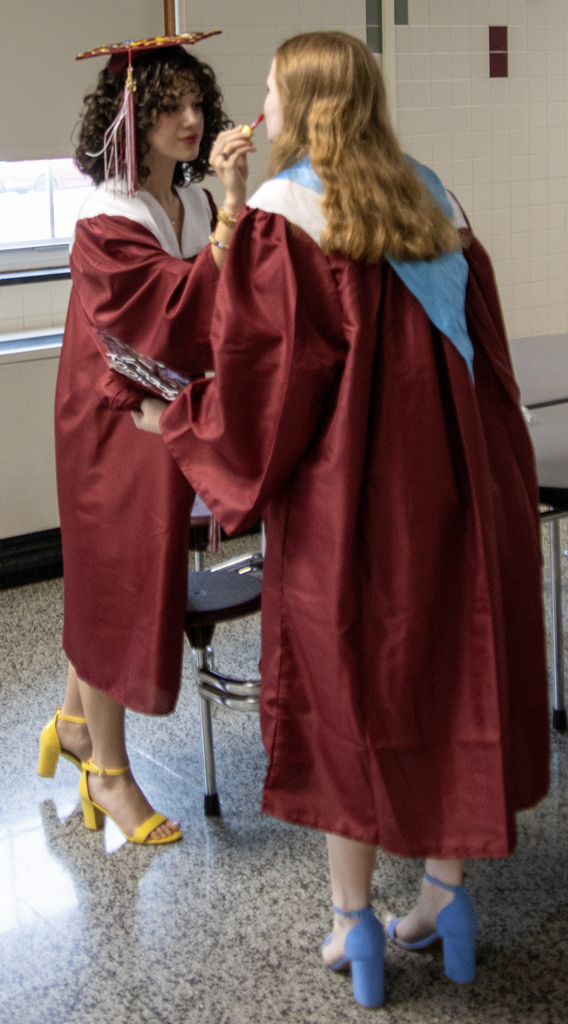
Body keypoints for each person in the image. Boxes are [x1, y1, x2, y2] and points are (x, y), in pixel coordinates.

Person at [132, 30, 549, 1003]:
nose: (263, 106)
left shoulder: (288, 217)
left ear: (311, 103)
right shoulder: (432, 196)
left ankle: (353, 923)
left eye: (274, 90)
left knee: (341, 689)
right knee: (450, 673)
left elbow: (266, 385)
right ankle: (444, 896)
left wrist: (180, 423)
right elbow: (486, 357)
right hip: (462, 491)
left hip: (351, 503)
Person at [38, 36, 254, 846]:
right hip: (110, 417)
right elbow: (170, 313)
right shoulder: (107, 217)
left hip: (160, 409)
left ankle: (74, 722)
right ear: (130, 118)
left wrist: (228, 211)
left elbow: (228, 300)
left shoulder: (190, 202)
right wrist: (235, 208)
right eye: (169, 106)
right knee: (115, 578)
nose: (190, 119)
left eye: (197, 102)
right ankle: (110, 773)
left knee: (120, 572)